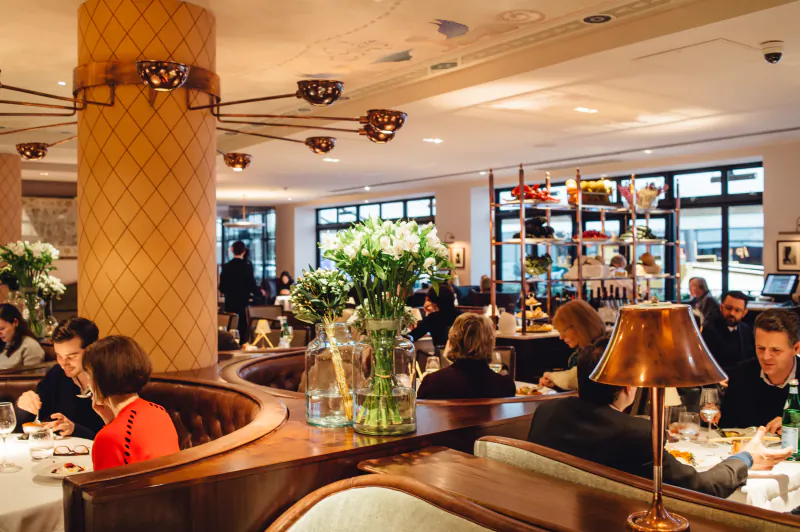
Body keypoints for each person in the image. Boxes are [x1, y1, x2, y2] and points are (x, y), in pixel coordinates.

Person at [528, 339, 792, 498]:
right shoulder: (635, 434)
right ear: (628, 386)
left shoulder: (547, 412)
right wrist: (746, 458)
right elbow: (702, 488)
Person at [84, 336, 179, 471]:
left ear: (101, 379)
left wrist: (110, 427)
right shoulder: (159, 411)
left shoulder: (108, 438)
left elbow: (105, 484)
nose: (88, 384)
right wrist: (111, 421)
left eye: (89, 375)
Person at [16, 318, 103, 438]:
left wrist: (75, 429)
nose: (63, 363)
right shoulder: (57, 374)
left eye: (72, 356)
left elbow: (118, 437)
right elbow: (34, 418)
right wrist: (23, 404)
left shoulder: (109, 378)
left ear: (92, 349)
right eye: (59, 356)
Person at [720, 309, 800, 432]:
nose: (766, 357)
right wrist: (714, 413)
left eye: (776, 350)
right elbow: (724, 426)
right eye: (761, 348)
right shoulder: (741, 373)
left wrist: (796, 423)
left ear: (796, 348)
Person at [417, 313, 515, 400]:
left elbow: (420, 412)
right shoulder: (505, 386)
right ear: (490, 342)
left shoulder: (433, 382)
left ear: (453, 340)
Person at [538, 300, 606, 391]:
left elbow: (573, 379)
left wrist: (551, 376)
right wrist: (555, 383)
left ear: (579, 326)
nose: (561, 337)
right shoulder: (581, 351)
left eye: (563, 330)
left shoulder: (601, 350)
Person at [701, 291, 756, 372]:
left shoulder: (746, 329)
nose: (732, 313)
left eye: (737, 310)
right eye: (729, 308)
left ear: (744, 313)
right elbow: (709, 365)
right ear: (721, 307)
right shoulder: (709, 329)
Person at [218, 241, 258, 343]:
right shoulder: (247, 266)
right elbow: (252, 286)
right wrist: (260, 293)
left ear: (232, 250)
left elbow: (221, 287)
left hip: (229, 303)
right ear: (244, 251)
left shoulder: (226, 267)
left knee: (230, 327)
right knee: (242, 329)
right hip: (243, 304)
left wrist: (228, 292)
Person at [0, 303, 44, 370]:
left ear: (15, 322)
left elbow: (31, 375)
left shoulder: (30, 346)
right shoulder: (4, 343)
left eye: (2, 329)